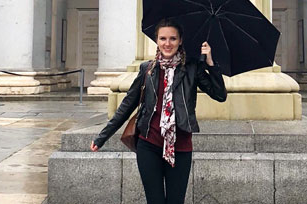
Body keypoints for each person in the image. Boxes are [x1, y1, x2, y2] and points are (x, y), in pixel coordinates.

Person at [90, 18, 227, 204]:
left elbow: (219, 95)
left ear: (180, 41)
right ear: (157, 40)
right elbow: (127, 105)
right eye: (163, 38)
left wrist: (211, 63)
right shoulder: (147, 69)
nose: (167, 43)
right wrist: (101, 138)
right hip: (149, 145)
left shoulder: (192, 68)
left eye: (173, 38)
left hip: (180, 146)